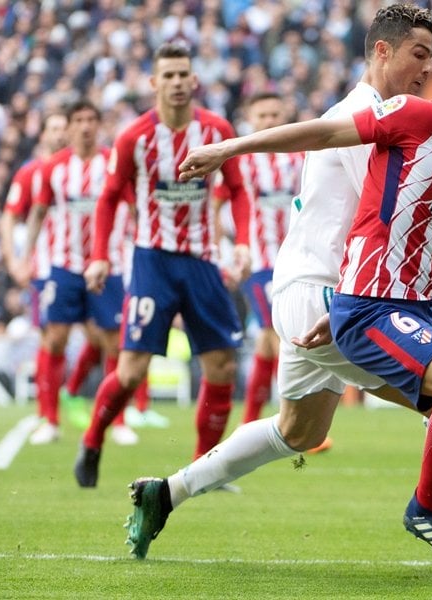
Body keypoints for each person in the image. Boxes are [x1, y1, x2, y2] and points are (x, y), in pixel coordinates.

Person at [125, 6, 432, 567]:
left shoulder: (387, 118)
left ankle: (166, 493)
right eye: (419, 54)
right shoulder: (369, 120)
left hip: (319, 290)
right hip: (330, 293)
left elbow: (408, 228)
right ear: (382, 51)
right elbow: (394, 225)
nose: (427, 68)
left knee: (298, 431)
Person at [75, 42, 252, 487]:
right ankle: (93, 440)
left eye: (183, 75)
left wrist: (244, 243)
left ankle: (201, 469)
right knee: (132, 370)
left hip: (203, 261)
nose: (176, 83)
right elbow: (109, 198)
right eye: (167, 76)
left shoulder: (216, 130)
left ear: (194, 81)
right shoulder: (134, 137)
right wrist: (99, 256)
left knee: (222, 368)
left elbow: (238, 189)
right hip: (152, 259)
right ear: (154, 83)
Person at [17, 100, 137, 446]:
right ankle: (50, 420)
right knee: (55, 338)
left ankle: (119, 421)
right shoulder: (53, 167)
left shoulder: (113, 163)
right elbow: (38, 214)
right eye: (79, 120)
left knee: (114, 342)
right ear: (69, 127)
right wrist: (28, 258)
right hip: (64, 265)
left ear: (99, 125)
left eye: (91, 120)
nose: (85, 126)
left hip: (108, 264)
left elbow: (132, 209)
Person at [220, 92, 305, 426]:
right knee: (277, 334)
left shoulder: (299, 158)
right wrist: (227, 253)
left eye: (274, 114)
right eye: (262, 115)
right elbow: (216, 206)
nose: (269, 121)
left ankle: (250, 422)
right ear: (250, 119)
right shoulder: (241, 161)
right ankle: (292, 420)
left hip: (295, 261)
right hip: (261, 263)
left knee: (268, 346)